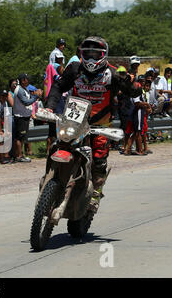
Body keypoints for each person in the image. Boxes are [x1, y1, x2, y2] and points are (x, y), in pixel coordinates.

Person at [46, 36, 142, 213]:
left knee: (99, 159)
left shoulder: (112, 73)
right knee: (57, 144)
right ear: (81, 54)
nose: (90, 58)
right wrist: (50, 108)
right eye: (87, 54)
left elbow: (133, 90)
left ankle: (96, 193)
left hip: (101, 124)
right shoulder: (74, 68)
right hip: (74, 121)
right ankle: (50, 179)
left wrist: (131, 84)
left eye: (95, 54)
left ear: (103, 55)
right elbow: (58, 86)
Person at [13, 74, 42, 162]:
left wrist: (35, 94)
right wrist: (36, 96)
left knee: (22, 137)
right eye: (27, 79)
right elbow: (26, 102)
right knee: (19, 137)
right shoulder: (20, 90)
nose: (28, 81)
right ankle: (19, 156)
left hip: (24, 116)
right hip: (20, 116)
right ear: (23, 80)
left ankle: (20, 155)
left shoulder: (24, 89)